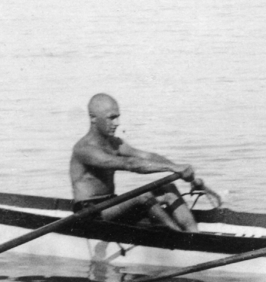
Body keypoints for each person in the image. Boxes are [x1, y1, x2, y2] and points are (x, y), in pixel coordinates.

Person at [69, 92, 204, 232]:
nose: (117, 123)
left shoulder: (115, 143)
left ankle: (194, 234)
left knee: (169, 189)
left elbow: (147, 156)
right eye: (111, 118)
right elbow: (130, 164)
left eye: (118, 117)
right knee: (143, 196)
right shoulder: (84, 149)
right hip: (90, 213)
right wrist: (172, 168)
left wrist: (185, 174)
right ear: (93, 118)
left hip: (111, 204)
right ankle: (179, 239)